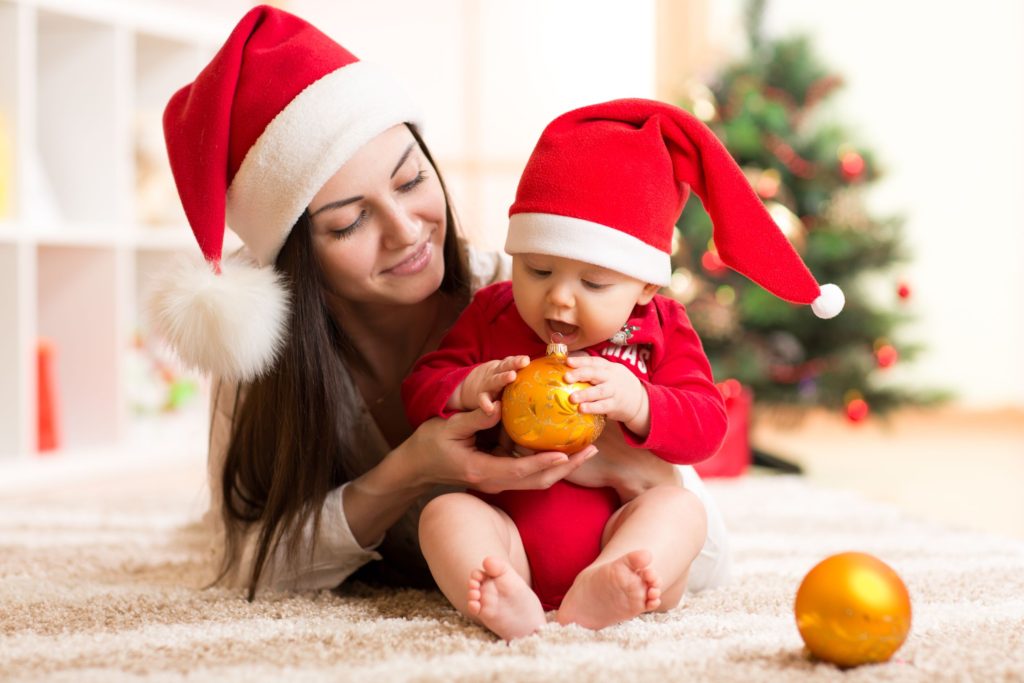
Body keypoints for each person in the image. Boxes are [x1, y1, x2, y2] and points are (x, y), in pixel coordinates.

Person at [151, 6, 691, 600]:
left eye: (410, 181)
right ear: (296, 256)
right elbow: (252, 562)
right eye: (351, 221)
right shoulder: (260, 341)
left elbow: (702, 554)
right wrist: (411, 470)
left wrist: (627, 464)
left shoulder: (526, 301)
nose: (407, 231)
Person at [403, 99, 845, 639]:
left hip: (619, 525)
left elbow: (706, 426)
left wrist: (639, 402)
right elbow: (420, 387)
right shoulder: (493, 311)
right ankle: (499, 589)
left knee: (680, 509)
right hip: (510, 528)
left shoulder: (661, 327)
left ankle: (611, 582)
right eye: (538, 269)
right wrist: (466, 386)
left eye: (593, 283)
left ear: (646, 286)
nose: (558, 300)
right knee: (444, 513)